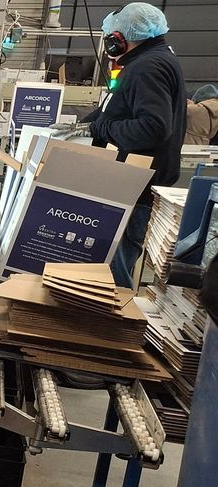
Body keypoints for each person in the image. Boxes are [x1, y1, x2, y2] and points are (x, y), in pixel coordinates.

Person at [50, 2, 186, 288]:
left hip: (134, 190)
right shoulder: (148, 62)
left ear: (120, 39)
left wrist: (101, 128)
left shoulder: (147, 68)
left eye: (110, 37)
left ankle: (110, 316)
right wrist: (85, 124)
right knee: (106, 269)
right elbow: (116, 108)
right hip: (131, 186)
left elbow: (154, 127)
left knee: (111, 277)